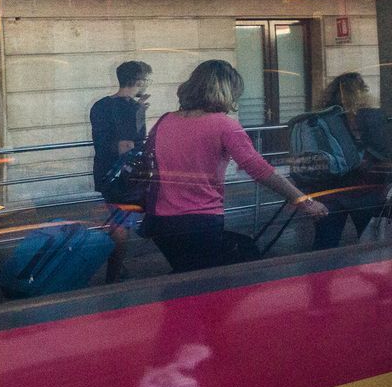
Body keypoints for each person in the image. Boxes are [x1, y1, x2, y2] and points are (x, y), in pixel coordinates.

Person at [142, 60, 328, 272]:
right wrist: (304, 200)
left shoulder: (165, 120)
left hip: (159, 222)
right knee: (212, 283)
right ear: (227, 90)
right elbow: (259, 168)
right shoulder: (224, 124)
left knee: (186, 278)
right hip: (199, 220)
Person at [311, 72, 391, 250]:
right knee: (371, 242)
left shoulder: (321, 118)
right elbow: (384, 149)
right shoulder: (370, 114)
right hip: (365, 188)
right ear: (361, 91)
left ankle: (320, 277)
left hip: (328, 190)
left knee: (325, 243)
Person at [90, 60, 152, 282]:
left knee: (120, 219)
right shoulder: (133, 108)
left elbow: (102, 139)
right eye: (147, 79)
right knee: (121, 224)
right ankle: (113, 274)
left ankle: (116, 269)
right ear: (139, 80)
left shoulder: (100, 105)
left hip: (105, 171)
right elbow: (132, 143)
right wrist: (139, 113)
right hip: (125, 174)